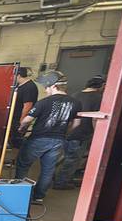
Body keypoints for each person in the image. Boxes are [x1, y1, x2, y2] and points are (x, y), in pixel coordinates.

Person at [15, 70, 82, 203]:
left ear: (53, 86)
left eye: (47, 87)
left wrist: (21, 128)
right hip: (58, 140)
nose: (45, 90)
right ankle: (38, 196)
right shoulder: (76, 103)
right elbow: (76, 123)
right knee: (48, 169)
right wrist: (64, 133)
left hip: (38, 138)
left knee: (23, 164)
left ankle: (20, 194)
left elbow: (27, 120)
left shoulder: (44, 102)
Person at [54, 74, 105, 189]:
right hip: (82, 133)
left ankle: (60, 177)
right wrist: (98, 135)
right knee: (72, 159)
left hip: (67, 131)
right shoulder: (98, 97)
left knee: (65, 157)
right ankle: (61, 183)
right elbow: (95, 118)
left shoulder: (75, 94)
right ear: (102, 86)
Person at [9, 67, 39, 148]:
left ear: (18, 75)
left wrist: (22, 122)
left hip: (19, 120)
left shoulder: (29, 87)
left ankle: (17, 157)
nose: (12, 78)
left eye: (13, 76)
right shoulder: (19, 86)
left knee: (16, 141)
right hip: (13, 118)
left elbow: (28, 106)